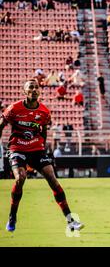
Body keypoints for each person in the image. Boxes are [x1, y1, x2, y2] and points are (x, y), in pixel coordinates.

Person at [0, 79, 84, 232]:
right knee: (20, 178)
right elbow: (2, 123)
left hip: (36, 149)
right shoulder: (14, 108)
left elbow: (44, 131)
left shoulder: (44, 111)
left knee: (52, 177)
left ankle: (71, 221)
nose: (33, 90)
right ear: (24, 91)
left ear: (39, 91)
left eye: (36, 87)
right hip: (17, 149)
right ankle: (12, 216)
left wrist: (41, 148)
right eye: (30, 87)